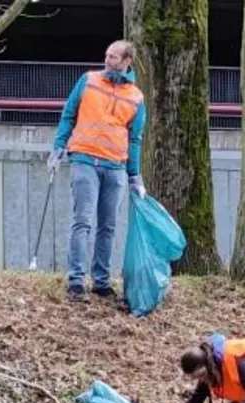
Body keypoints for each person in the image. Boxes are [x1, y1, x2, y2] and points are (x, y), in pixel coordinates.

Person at [49, 40, 147, 301]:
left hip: (115, 166)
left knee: (108, 225)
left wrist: (134, 175)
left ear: (127, 61)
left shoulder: (136, 97)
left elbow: (135, 138)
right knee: (83, 221)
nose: (108, 60)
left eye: (114, 57)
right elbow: (69, 114)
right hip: (84, 160)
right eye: (107, 55)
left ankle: (101, 281)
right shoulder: (88, 81)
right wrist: (59, 146)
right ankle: (76, 280)